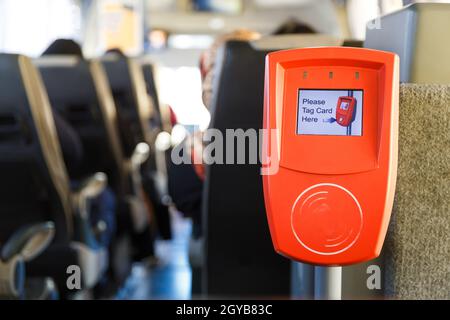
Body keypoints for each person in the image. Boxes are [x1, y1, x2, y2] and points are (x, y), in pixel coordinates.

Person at [42, 39, 116, 247]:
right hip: (56, 197)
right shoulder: (43, 112)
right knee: (104, 196)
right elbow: (73, 150)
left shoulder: (30, 94)